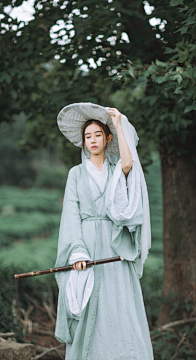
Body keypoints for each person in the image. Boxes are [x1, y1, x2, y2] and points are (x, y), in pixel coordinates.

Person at [54, 102, 154, 360]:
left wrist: (119, 125)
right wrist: (77, 252)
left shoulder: (115, 172)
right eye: (88, 136)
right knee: (88, 307)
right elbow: (71, 217)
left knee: (119, 305)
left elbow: (129, 164)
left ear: (107, 138)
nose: (93, 140)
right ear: (83, 142)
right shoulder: (75, 174)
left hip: (113, 246)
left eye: (98, 134)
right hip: (86, 245)